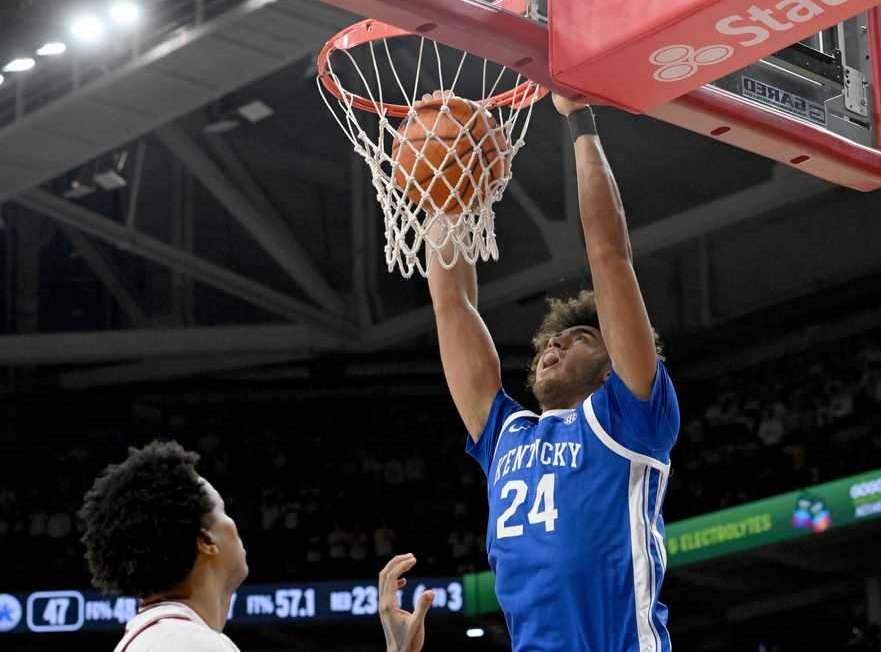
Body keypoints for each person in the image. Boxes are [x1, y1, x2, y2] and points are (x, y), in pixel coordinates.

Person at [424, 91, 680, 651]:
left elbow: (609, 254)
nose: (556, 340)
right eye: (552, 337)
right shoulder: (506, 434)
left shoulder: (629, 416)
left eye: (580, 337)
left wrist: (580, 121)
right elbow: (452, 307)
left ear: (614, 365)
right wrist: (444, 184)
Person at [81, 441, 432, 652]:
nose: (235, 524)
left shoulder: (170, 637)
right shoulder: (182, 642)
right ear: (206, 542)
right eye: (222, 511)